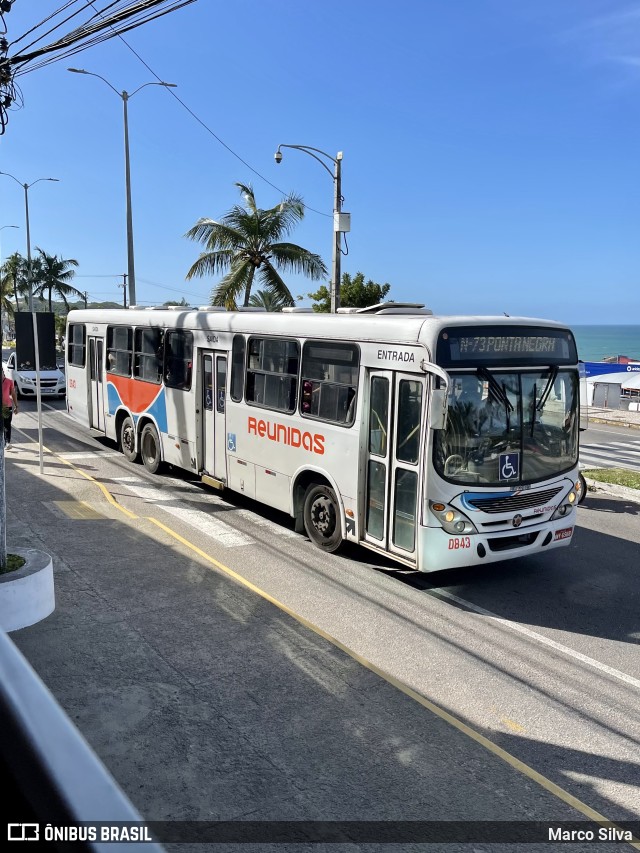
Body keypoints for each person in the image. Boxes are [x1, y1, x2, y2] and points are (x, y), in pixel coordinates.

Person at [2, 367, 18, 450]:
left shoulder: (8, 382)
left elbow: (13, 394)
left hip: (6, 407)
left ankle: (7, 442)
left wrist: (16, 406)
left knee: (7, 425)